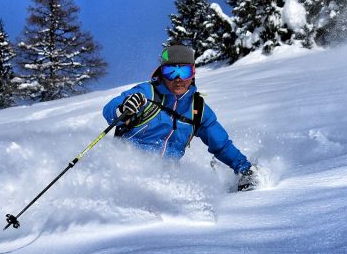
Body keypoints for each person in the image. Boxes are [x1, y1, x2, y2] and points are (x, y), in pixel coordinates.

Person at [102, 45, 258, 191]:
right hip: (125, 173)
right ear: (162, 73)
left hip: (165, 181)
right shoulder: (147, 93)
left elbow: (221, 144)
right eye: (171, 71)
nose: (178, 78)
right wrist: (124, 109)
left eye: (184, 72)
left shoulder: (197, 108)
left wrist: (244, 168)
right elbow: (110, 109)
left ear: (193, 73)